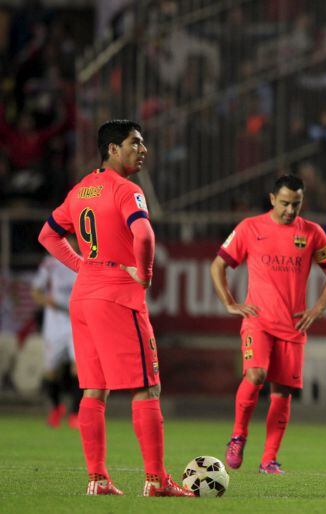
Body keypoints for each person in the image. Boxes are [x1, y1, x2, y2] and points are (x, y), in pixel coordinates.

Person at [37, 119, 193, 496]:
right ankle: (155, 481)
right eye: (135, 143)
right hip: (117, 296)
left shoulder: (80, 190)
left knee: (93, 390)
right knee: (147, 388)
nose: (143, 149)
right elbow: (144, 233)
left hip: (83, 297)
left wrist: (82, 265)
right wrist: (146, 273)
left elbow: (47, 234)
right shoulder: (126, 190)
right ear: (111, 149)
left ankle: (98, 479)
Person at [212, 174, 326, 475]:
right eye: (284, 203)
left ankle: (269, 459)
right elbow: (218, 264)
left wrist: (318, 309)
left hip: (293, 326)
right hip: (258, 320)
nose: (289, 210)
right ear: (272, 199)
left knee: (282, 394)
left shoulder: (312, 233)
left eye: (296, 204)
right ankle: (238, 436)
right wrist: (229, 302)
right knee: (256, 374)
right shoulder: (250, 228)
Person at [31, 252, 81, 429]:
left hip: (77, 321)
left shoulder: (87, 260)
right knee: (51, 372)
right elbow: (36, 292)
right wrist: (47, 301)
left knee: (79, 368)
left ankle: (75, 414)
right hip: (55, 324)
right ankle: (56, 407)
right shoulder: (50, 263)